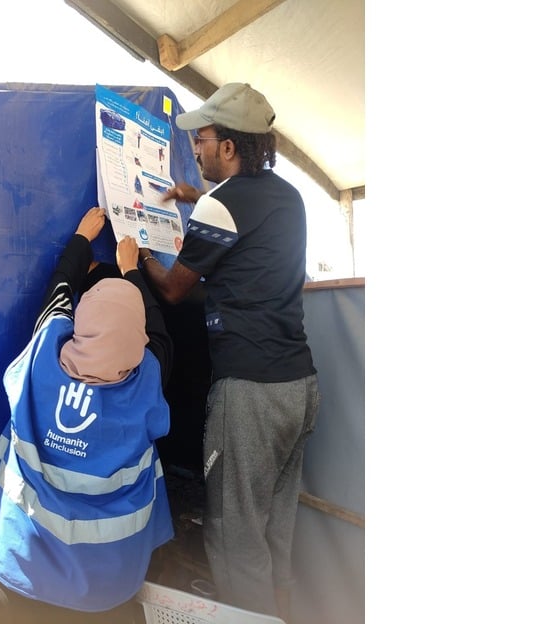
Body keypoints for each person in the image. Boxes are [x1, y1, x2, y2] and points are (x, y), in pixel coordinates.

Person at [136, 83, 319, 621]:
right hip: (298, 388)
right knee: (271, 537)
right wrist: (198, 198)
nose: (195, 150)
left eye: (203, 139)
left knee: (235, 542)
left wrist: (140, 249)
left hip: (250, 395)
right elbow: (247, 225)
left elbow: (172, 289)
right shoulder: (288, 197)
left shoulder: (223, 205)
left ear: (230, 147)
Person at [0, 207, 174, 623]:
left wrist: (80, 239)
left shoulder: (42, 357)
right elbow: (161, 336)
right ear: (141, 337)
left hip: (12, 569)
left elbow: (57, 295)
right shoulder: (147, 380)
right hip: (101, 591)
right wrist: (132, 272)